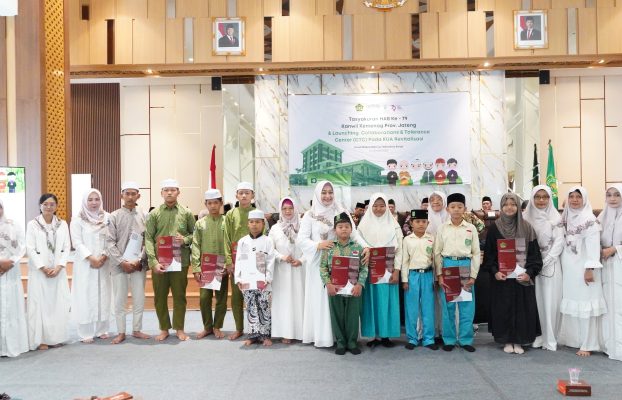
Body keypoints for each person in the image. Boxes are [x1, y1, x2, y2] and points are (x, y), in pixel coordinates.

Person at [298, 180, 369, 348]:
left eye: (330, 192)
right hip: (319, 263)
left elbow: (354, 234)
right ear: (317, 194)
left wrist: (366, 247)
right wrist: (318, 245)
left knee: (341, 298)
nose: (328, 196)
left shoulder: (341, 211)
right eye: (324, 192)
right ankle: (324, 336)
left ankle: (343, 338)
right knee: (322, 299)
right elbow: (300, 239)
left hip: (341, 260)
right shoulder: (310, 215)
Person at [484, 193, 542, 354]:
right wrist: (495, 272)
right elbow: (489, 255)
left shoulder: (527, 227)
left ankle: (520, 340)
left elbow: (535, 256)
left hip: (521, 278)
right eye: (505, 204)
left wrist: (529, 273)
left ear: (518, 207)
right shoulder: (495, 227)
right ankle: (507, 340)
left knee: (522, 309)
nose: (509, 207)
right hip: (502, 279)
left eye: (513, 204)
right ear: (501, 207)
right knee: (504, 308)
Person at [145, 179, 196, 341]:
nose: (169, 193)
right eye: (166, 190)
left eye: (172, 190)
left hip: (180, 261)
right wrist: (153, 262)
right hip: (160, 262)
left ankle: (179, 328)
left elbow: (195, 235)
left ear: (178, 192)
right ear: (161, 193)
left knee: (179, 296)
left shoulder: (186, 213)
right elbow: (148, 238)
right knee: (160, 296)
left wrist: (185, 240)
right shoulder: (154, 214)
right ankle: (164, 329)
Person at [558, 186, 606, 357]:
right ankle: (574, 340)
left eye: (578, 196)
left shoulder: (589, 219)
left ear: (584, 199)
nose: (575, 200)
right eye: (571, 196)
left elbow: (593, 247)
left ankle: (588, 343)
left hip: (584, 267)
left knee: (586, 305)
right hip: (569, 267)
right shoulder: (565, 217)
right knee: (574, 302)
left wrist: (589, 269)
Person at [434, 193, 481, 352]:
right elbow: (437, 252)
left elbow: (476, 252)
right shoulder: (442, 228)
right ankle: (449, 340)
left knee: (467, 306)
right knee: (448, 306)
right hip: (448, 266)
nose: (456, 210)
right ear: (447, 209)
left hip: (465, 266)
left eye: (459, 207)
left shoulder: (471, 228)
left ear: (465, 209)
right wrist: (439, 275)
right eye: (453, 207)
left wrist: (473, 275)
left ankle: (466, 339)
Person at [106, 182, 151, 345]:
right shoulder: (113, 216)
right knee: (120, 299)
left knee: (139, 297)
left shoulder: (145, 216)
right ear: (121, 195)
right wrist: (122, 261)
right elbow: (109, 242)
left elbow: (148, 240)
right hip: (119, 266)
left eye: (134, 193)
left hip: (138, 265)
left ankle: (137, 329)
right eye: (127, 193)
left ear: (139, 196)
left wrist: (139, 259)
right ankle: (120, 331)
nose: (130, 197)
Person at [26, 193, 71, 350]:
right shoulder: (33, 224)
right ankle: (41, 339)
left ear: (56, 206)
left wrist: (59, 266)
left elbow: (67, 247)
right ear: (40, 206)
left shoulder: (62, 224)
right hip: (40, 272)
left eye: (52, 204)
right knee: (40, 305)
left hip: (58, 271)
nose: (49, 207)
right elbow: (30, 248)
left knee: (57, 304)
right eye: (45, 204)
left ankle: (55, 337)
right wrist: (42, 267)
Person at [320, 212, 368, 355]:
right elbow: (323, 267)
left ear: (351, 229)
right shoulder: (329, 247)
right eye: (340, 226)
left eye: (347, 226)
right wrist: (328, 283)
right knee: (337, 315)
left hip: (353, 289)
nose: (344, 229)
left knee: (353, 316)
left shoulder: (358, 247)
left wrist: (360, 284)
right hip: (335, 288)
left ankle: (352, 342)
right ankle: (340, 342)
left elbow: (364, 267)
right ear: (335, 230)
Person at [523, 185, 564, 351]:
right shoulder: (525, 218)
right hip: (530, 267)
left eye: (545, 197)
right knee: (534, 302)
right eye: (537, 197)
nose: (541, 200)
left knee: (550, 301)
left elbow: (559, 243)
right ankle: (537, 337)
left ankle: (550, 338)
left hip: (550, 265)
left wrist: (544, 262)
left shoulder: (556, 218)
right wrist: (532, 265)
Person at [359, 193, 402, 348]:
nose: (378, 209)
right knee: (370, 302)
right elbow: (358, 247)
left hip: (389, 271)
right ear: (370, 206)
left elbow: (400, 250)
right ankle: (372, 336)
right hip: (370, 271)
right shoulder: (362, 226)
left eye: (382, 205)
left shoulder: (394, 225)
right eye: (375, 206)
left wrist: (397, 270)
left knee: (387, 302)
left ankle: (386, 335)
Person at [70, 188, 112, 343]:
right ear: (84, 201)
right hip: (85, 263)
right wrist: (91, 258)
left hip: (104, 262)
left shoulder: (107, 217)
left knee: (104, 293)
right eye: (90, 199)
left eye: (97, 199)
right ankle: (85, 332)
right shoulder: (77, 219)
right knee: (85, 294)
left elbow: (111, 239)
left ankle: (102, 329)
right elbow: (77, 242)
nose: (94, 203)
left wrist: (104, 255)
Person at [234, 210, 276, 346]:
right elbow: (239, 261)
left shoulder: (268, 241)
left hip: (263, 282)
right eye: (251, 222)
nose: (254, 225)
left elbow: (270, 260)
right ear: (248, 224)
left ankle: (265, 335)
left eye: (257, 222)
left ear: (263, 224)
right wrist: (238, 279)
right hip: (247, 281)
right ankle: (253, 335)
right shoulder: (242, 242)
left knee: (264, 307)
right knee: (250, 307)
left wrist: (268, 278)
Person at [223, 181, 258, 340]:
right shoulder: (230, 214)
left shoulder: (257, 213)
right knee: (237, 296)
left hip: (254, 261)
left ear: (252, 195)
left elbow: (264, 237)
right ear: (236, 195)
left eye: (247, 193)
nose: (244, 196)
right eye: (241, 193)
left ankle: (255, 328)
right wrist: (229, 261)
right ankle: (239, 328)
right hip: (237, 263)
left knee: (254, 296)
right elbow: (226, 238)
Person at [191, 189, 227, 340]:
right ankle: (207, 327)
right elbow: (196, 245)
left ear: (221, 203)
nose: (213, 206)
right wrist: (196, 267)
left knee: (221, 298)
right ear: (205, 204)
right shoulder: (200, 223)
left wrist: (228, 263)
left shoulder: (227, 221)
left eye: (215, 203)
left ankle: (217, 326)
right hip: (206, 266)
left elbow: (229, 244)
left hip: (222, 265)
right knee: (204, 298)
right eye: (209, 203)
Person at [269, 197, 305, 344]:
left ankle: (302, 332)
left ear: (295, 209)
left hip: (300, 269)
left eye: (290, 208)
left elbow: (309, 247)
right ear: (280, 210)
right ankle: (286, 332)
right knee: (284, 301)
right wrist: (282, 257)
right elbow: (270, 249)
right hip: (282, 270)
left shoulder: (303, 226)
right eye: (284, 209)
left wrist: (301, 260)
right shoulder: (275, 228)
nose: (288, 211)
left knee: (299, 299)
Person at [400, 209, 437, 350]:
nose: (421, 224)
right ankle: (412, 338)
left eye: (423, 221)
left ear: (428, 223)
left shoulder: (432, 238)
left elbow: (435, 261)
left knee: (428, 308)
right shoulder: (407, 240)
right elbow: (404, 261)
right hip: (412, 276)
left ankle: (428, 339)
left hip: (428, 275)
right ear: (411, 223)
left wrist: (435, 279)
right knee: (411, 308)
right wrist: (405, 280)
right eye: (417, 222)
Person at [0, 199, 28, 357]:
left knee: (11, 307)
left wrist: (9, 262)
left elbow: (22, 246)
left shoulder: (13, 225)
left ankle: (11, 345)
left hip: (11, 270)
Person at [598, 184, 622, 361]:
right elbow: (594, 237)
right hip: (606, 266)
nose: (612, 198)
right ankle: (609, 345)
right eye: (609, 195)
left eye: (617, 195)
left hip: (619, 263)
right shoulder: (602, 216)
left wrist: (615, 249)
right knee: (608, 305)